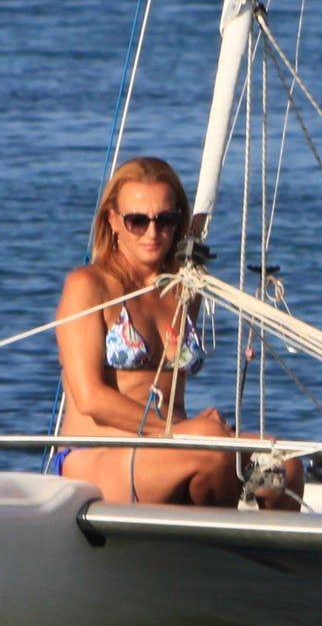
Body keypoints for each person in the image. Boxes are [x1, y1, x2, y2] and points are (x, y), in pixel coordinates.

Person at [52, 156, 303, 508]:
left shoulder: (185, 289)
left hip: (170, 444)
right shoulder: (88, 285)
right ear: (113, 221)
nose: (152, 233)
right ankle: (221, 530)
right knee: (210, 448)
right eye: (137, 221)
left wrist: (191, 431)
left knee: (286, 464)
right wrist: (180, 431)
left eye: (165, 220)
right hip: (98, 452)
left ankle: (258, 542)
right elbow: (91, 398)